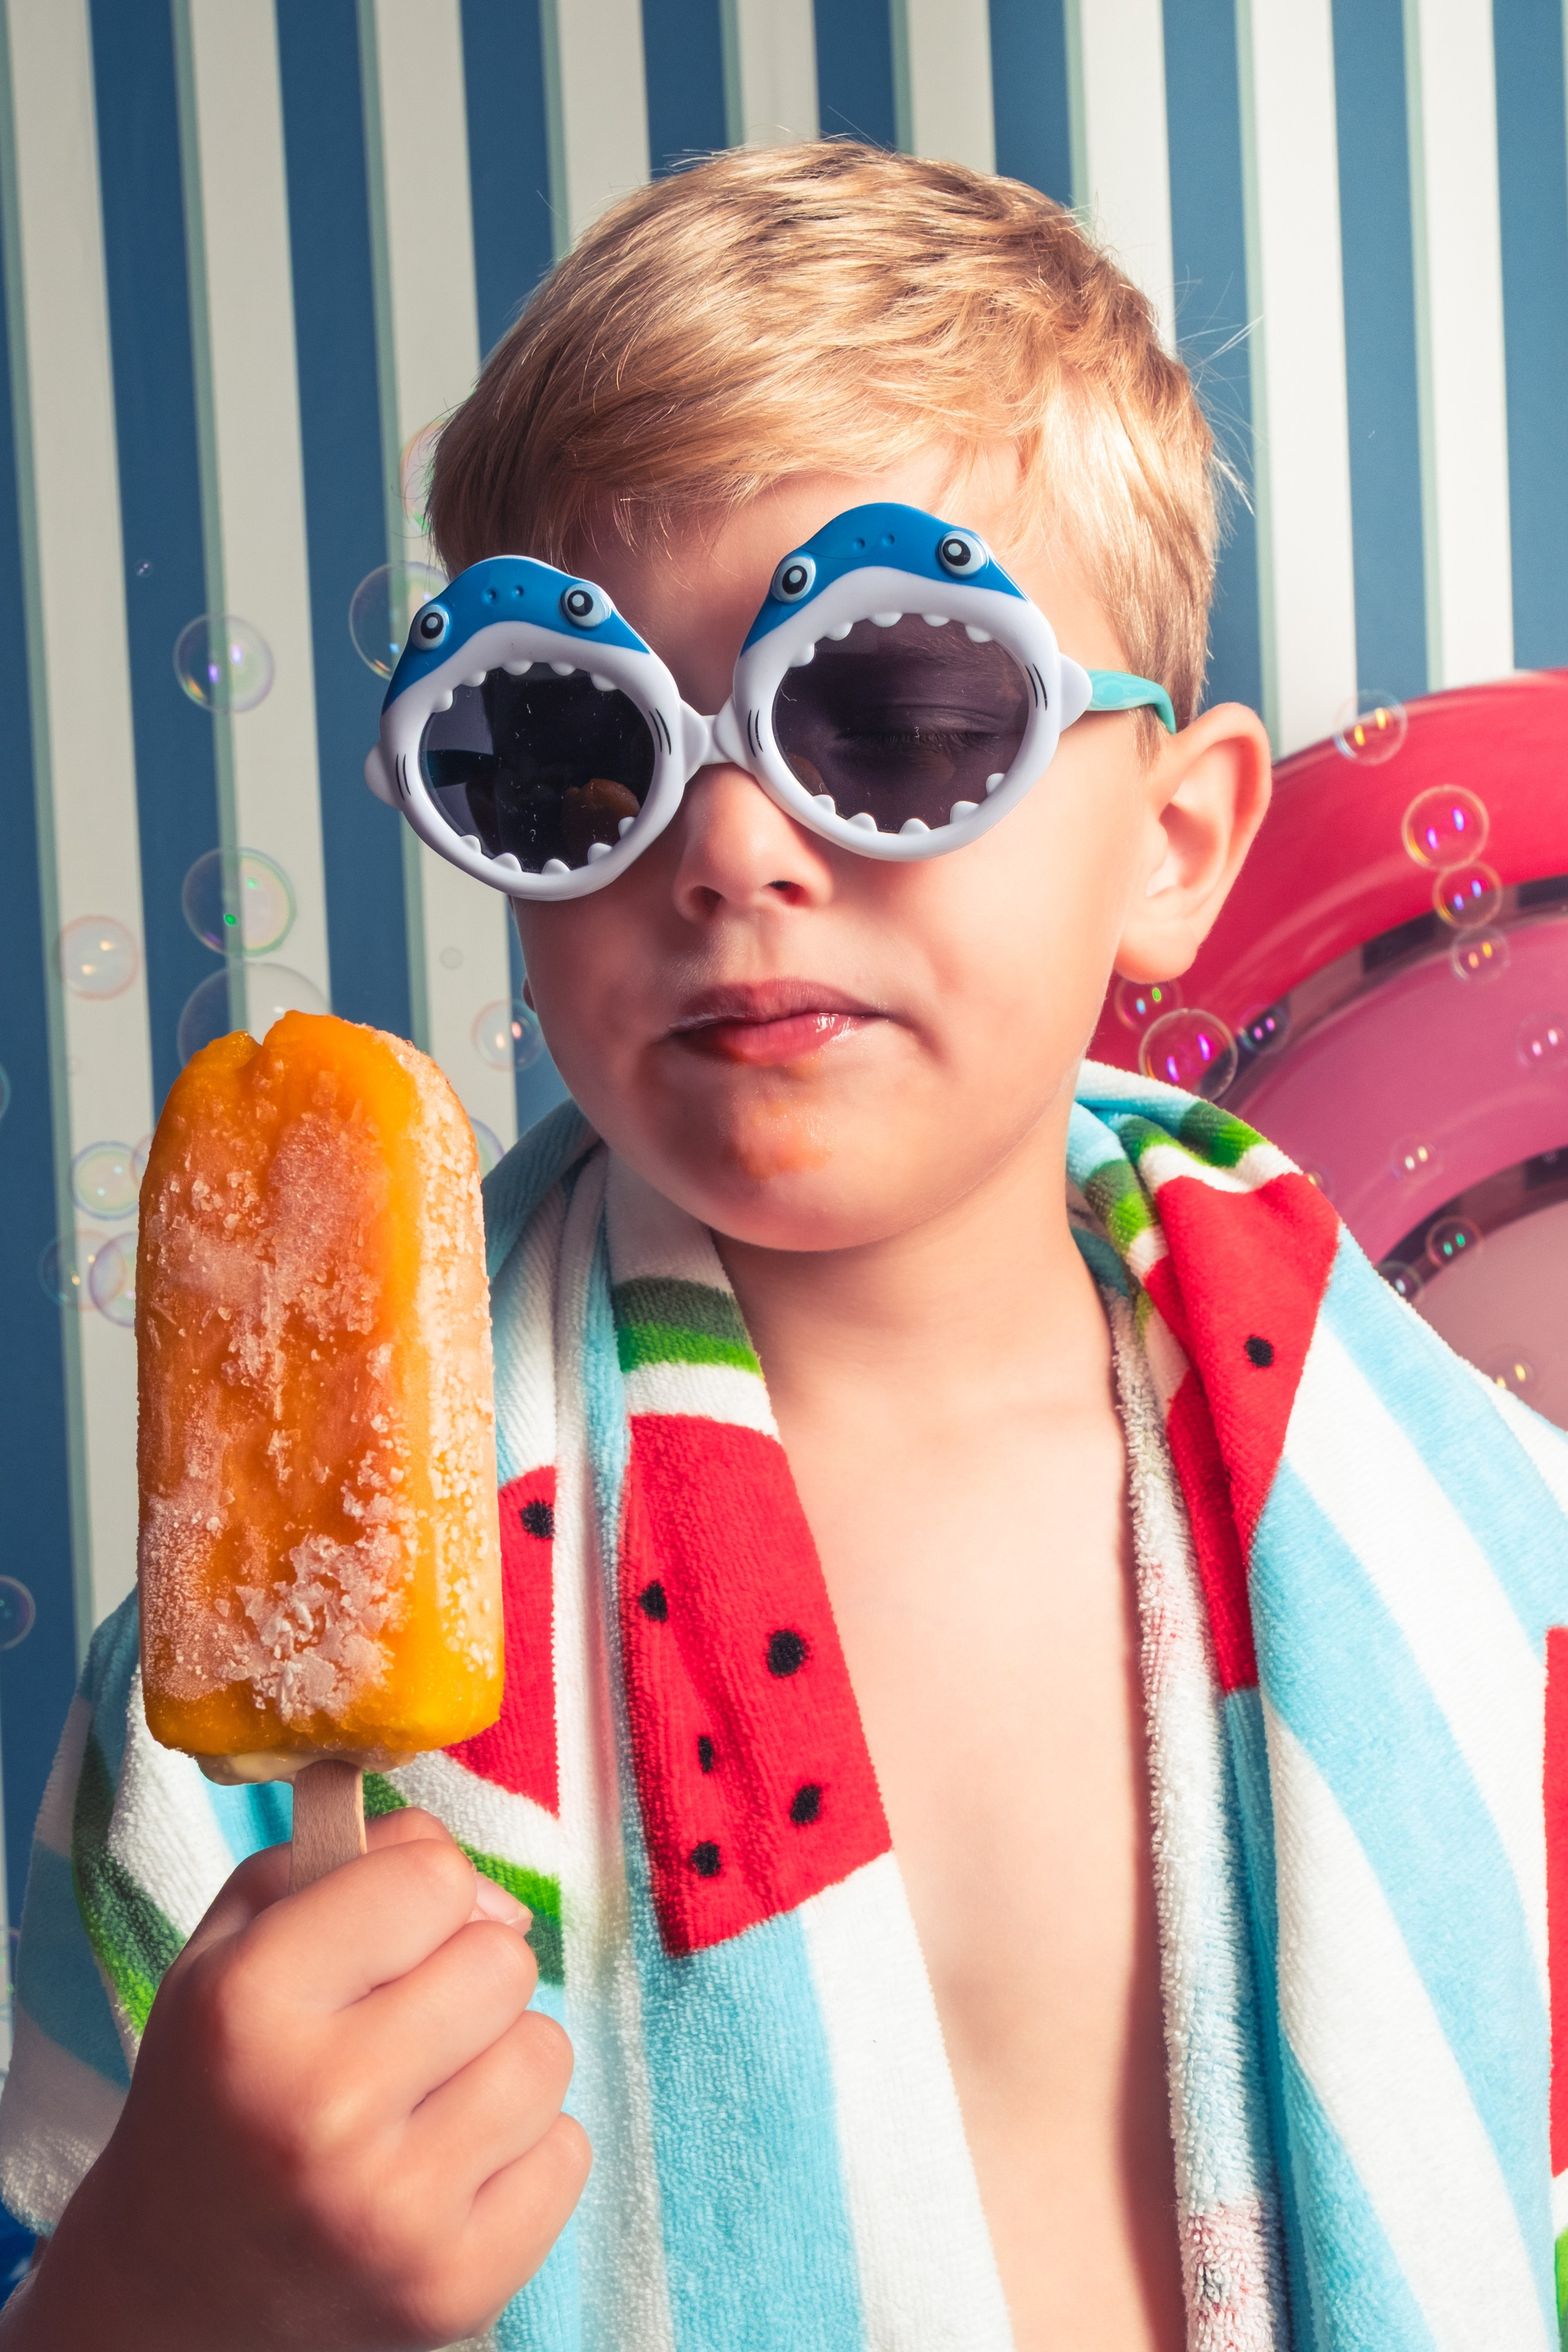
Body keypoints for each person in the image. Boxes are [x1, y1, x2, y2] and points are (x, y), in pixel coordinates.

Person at [3, 141, 1567, 2352]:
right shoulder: (284, 1657)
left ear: (1176, 842)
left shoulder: (1460, 1544)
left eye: (898, 714)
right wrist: (164, 2280)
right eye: (573, 750)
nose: (731, 844)